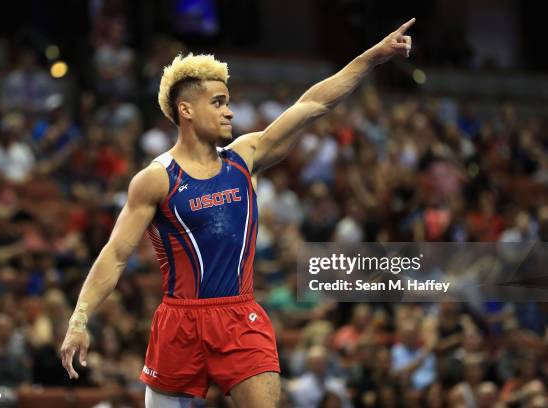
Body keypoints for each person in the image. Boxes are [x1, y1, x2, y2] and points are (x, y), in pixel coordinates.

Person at [61, 18, 415, 408]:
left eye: (227, 101)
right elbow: (115, 255)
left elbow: (313, 104)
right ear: (186, 110)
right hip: (179, 323)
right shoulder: (156, 180)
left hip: (239, 316)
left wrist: (371, 58)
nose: (230, 112)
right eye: (218, 102)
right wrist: (79, 320)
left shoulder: (246, 158)